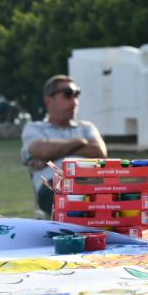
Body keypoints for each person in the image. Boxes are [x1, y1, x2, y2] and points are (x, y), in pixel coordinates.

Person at [21, 74, 107, 215]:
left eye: (76, 95)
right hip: (54, 185)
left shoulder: (86, 127)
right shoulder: (34, 128)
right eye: (67, 95)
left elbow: (99, 151)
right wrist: (79, 142)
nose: (74, 102)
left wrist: (54, 154)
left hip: (92, 181)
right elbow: (43, 151)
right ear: (49, 100)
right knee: (76, 204)